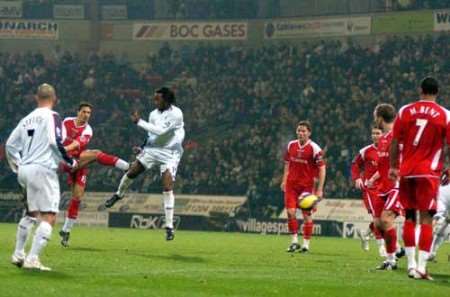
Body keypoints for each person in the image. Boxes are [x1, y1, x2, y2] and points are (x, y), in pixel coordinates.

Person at [5, 83, 77, 271]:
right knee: (49, 216)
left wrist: (18, 166)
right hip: (42, 170)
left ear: (37, 98)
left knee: (31, 213)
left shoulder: (26, 119)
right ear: (55, 99)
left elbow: (10, 145)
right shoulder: (52, 116)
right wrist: (71, 162)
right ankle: (32, 258)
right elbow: (55, 142)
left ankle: (18, 253)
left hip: (25, 169)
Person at [103, 87, 185, 241]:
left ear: (166, 100)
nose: (155, 101)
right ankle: (118, 195)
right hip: (153, 150)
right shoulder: (153, 114)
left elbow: (161, 132)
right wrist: (142, 147)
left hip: (170, 153)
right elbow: (152, 134)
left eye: (157, 99)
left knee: (167, 186)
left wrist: (139, 122)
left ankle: (169, 226)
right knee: (132, 172)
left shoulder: (176, 113)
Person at [390, 77, 450, 280]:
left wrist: (392, 167)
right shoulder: (445, 114)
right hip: (428, 173)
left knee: (409, 216)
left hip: (407, 171)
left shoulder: (405, 110)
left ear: (420, 90)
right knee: (426, 218)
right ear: (437, 92)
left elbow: (395, 140)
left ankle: (411, 264)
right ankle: (422, 268)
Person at [59, 102, 129, 247]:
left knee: (77, 197)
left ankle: (66, 231)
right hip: (64, 160)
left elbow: (78, 143)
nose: (86, 115)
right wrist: (61, 151)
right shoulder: (66, 121)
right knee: (96, 153)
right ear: (78, 112)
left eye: (89, 113)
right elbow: (60, 136)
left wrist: (65, 148)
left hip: (78, 162)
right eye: (84, 112)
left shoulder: (88, 130)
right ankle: (127, 166)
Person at [281, 120, 326, 253]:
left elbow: (322, 169)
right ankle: (294, 242)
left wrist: (319, 189)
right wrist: (284, 180)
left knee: (306, 215)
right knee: (290, 213)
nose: (300, 133)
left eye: (303, 131)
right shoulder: (291, 145)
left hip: (306, 187)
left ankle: (306, 244)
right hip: (291, 185)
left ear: (309, 133)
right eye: (299, 130)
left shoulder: (314, 148)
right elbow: (287, 164)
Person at [370, 103, 404, 270]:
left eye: (375, 116)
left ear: (380, 118)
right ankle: (397, 249)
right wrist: (373, 178)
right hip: (382, 187)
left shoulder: (399, 137)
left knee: (385, 220)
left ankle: (391, 260)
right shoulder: (382, 139)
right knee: (377, 224)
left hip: (397, 186)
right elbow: (382, 166)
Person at [351, 126, 386, 257]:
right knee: (377, 218)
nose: (375, 136)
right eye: (373, 133)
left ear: (383, 135)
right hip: (370, 189)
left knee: (384, 218)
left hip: (385, 188)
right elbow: (355, 164)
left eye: (378, 133)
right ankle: (381, 247)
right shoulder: (366, 151)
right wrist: (357, 178)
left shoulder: (388, 149)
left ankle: (365, 235)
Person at [428, 169, 450, 261]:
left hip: (442, 193)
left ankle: (432, 251)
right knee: (442, 221)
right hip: (443, 193)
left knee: (442, 221)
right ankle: (431, 251)